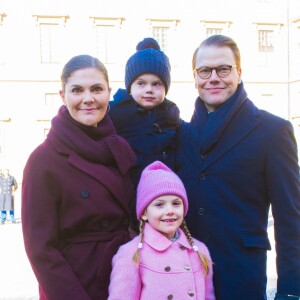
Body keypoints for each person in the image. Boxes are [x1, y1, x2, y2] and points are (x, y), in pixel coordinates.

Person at [175, 34, 300, 300]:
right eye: (204, 70)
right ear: (195, 77)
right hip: (186, 282)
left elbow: (290, 219)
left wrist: (291, 291)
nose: (214, 77)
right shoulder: (181, 134)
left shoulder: (272, 131)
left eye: (224, 69)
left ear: (239, 72)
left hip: (241, 280)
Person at [21, 54, 137, 300]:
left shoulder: (119, 148)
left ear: (109, 93)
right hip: (74, 286)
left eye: (97, 89)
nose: (88, 99)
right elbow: (41, 250)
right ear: (63, 96)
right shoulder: (43, 160)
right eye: (77, 90)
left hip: (122, 281)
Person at [108, 161, 215, 300]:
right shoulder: (130, 253)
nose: (170, 211)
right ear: (144, 213)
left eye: (176, 203)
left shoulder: (199, 250)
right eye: (159, 205)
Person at [109, 37, 182, 188]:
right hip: (129, 190)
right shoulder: (115, 113)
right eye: (141, 83)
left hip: (163, 191)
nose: (149, 89)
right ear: (130, 87)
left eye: (156, 84)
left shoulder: (171, 115)